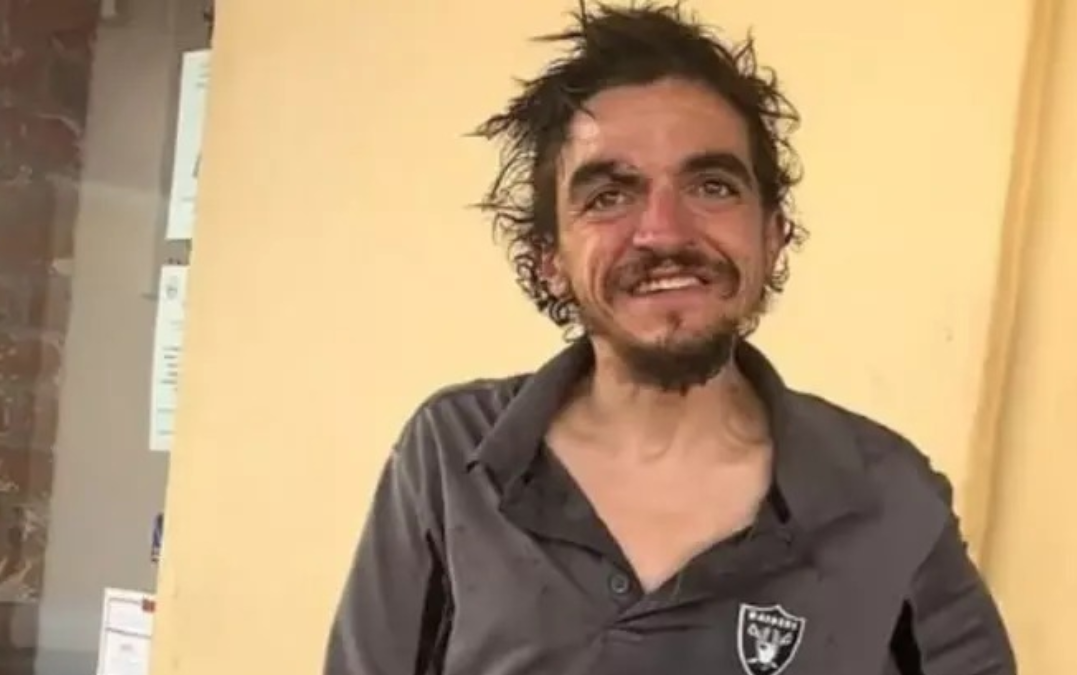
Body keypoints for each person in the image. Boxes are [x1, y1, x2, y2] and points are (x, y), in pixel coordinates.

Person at [325, 4, 1017, 674]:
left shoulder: (889, 493)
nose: (664, 232)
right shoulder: (452, 456)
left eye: (712, 186)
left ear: (772, 236)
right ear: (550, 258)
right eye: (609, 196)